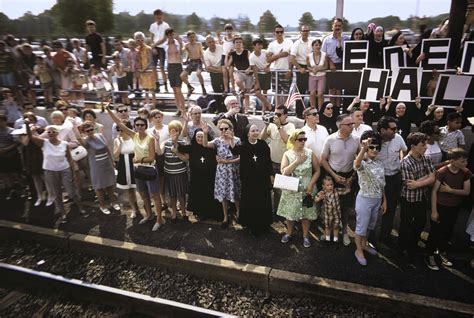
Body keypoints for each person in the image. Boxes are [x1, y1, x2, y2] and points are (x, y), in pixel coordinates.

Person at [106, 105, 163, 231]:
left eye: (141, 125)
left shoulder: (150, 138)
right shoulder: (134, 135)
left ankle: (159, 219)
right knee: (143, 195)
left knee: (155, 196)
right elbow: (118, 123)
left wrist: (138, 160)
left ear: (145, 126)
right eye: (137, 125)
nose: (139, 127)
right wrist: (109, 109)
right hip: (138, 171)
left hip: (149, 169)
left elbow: (152, 157)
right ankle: (149, 215)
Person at [24, 120, 86, 223]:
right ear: (47, 133)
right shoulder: (44, 143)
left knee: (71, 191)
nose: (51, 133)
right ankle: (62, 213)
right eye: (49, 132)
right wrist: (27, 125)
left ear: (58, 133)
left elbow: (69, 158)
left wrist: (74, 172)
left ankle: (80, 207)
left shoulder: (64, 144)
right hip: (50, 171)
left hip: (64, 169)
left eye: (53, 131)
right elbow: (30, 137)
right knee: (57, 193)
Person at [425, 148, 471, 271]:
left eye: (466, 161)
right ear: (453, 160)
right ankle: (429, 255)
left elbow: (466, 191)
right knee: (435, 231)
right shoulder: (442, 172)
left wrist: (450, 190)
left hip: (454, 207)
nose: (465, 163)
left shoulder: (465, 172)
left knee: (447, 231)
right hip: (441, 206)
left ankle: (440, 252)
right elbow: (434, 192)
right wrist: (434, 211)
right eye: (462, 161)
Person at [320, 114, 360, 246]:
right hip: (333, 176)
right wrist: (334, 176)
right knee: (330, 205)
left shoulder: (356, 139)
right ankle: (329, 231)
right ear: (340, 125)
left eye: (352, 124)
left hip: (350, 176)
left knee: (346, 206)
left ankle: (345, 232)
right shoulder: (330, 140)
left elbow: (360, 160)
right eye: (349, 124)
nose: (352, 126)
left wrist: (353, 177)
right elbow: (323, 160)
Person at [278, 129, 320, 248]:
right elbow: (284, 172)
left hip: (307, 189)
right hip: (292, 189)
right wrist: (297, 162)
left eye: (304, 139)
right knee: (290, 214)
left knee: (306, 214)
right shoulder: (287, 154)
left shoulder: (310, 153)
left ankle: (306, 236)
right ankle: (289, 233)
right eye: (300, 139)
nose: (303, 141)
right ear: (293, 140)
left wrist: (311, 184)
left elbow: (317, 170)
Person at [230, 124, 273, 235]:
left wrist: (271, 175)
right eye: (252, 130)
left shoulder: (263, 144)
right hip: (249, 181)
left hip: (262, 180)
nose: (255, 132)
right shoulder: (244, 146)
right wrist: (231, 139)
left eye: (257, 130)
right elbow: (234, 150)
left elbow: (268, 161)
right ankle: (251, 225)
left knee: (263, 201)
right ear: (248, 133)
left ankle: (264, 224)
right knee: (251, 202)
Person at [399, 132, 435, 261]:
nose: (425, 147)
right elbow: (410, 185)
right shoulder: (405, 163)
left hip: (422, 197)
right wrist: (427, 177)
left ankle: (412, 246)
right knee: (405, 224)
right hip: (408, 198)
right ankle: (402, 248)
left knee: (420, 222)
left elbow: (432, 178)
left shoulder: (427, 158)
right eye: (422, 144)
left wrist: (419, 182)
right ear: (413, 146)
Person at [353, 131, 386, 266]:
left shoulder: (379, 163)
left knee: (370, 226)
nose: (374, 150)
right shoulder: (362, 161)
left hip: (377, 199)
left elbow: (382, 183)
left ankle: (365, 244)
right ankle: (358, 250)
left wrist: (385, 200)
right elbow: (356, 165)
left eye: (377, 147)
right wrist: (363, 149)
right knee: (361, 227)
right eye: (371, 147)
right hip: (365, 199)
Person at [73, 121, 119, 215]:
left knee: (110, 184)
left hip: (106, 162)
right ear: (84, 132)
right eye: (87, 131)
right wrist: (75, 127)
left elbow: (107, 149)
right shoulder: (85, 141)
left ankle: (113, 202)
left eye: (91, 129)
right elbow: (79, 138)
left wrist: (112, 161)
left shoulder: (100, 135)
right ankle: (102, 206)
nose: (90, 132)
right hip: (96, 165)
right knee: (99, 187)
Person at [202, 119, 241, 229]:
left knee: (236, 193)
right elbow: (205, 144)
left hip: (234, 170)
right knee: (223, 195)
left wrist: (228, 161)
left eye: (226, 128)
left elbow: (240, 158)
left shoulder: (237, 140)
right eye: (221, 129)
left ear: (231, 129)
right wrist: (205, 133)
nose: (224, 131)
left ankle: (239, 213)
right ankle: (225, 217)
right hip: (222, 172)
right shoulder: (217, 141)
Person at [178, 128, 222, 221]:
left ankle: (211, 212)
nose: (200, 139)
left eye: (202, 136)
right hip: (196, 177)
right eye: (198, 136)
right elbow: (179, 147)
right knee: (198, 194)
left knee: (209, 194)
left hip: (210, 177)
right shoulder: (192, 147)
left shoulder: (211, 147)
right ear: (195, 137)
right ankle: (200, 212)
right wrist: (174, 140)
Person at [376, 116, 407, 247]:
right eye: (393, 129)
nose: (396, 131)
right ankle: (369, 237)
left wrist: (401, 162)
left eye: (396, 128)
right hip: (377, 180)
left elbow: (404, 151)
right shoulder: (374, 140)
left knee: (391, 208)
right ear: (382, 130)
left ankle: (385, 236)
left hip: (394, 178)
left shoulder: (398, 138)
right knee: (374, 208)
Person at [260, 105, 295, 214]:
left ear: (285, 115)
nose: (276, 116)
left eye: (279, 114)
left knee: (285, 190)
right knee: (275, 190)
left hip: (284, 164)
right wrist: (266, 126)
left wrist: (279, 127)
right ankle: (276, 212)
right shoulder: (272, 125)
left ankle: (285, 213)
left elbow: (287, 141)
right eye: (275, 114)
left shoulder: (290, 126)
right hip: (272, 162)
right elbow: (262, 138)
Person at [161, 120, 189, 220]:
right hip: (169, 173)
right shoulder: (165, 143)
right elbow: (159, 152)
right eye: (171, 130)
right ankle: (174, 213)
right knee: (172, 195)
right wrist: (156, 140)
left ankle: (184, 212)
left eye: (176, 130)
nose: (173, 132)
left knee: (181, 194)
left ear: (180, 131)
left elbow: (186, 158)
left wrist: (176, 152)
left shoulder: (183, 143)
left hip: (180, 173)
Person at [113, 120, 139, 218]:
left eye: (122, 129)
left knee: (140, 189)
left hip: (135, 164)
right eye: (118, 130)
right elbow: (115, 156)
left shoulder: (134, 137)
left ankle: (146, 208)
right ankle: (134, 209)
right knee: (129, 189)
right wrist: (119, 144)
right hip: (123, 165)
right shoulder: (117, 140)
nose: (120, 132)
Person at [18, 114, 46, 206]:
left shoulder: (40, 129)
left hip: (40, 154)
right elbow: (25, 143)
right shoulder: (22, 131)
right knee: (35, 176)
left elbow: (42, 141)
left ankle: (50, 194)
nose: (30, 122)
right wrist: (28, 131)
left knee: (43, 176)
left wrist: (34, 132)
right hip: (29, 155)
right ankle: (40, 195)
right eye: (27, 120)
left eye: (31, 120)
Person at [321, 17, 350, 107]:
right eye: (336, 25)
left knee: (339, 89)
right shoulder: (327, 39)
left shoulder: (346, 38)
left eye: (339, 26)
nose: (337, 27)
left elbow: (348, 53)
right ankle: (332, 107)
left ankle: (338, 108)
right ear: (332, 26)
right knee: (332, 90)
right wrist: (330, 63)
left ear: (342, 27)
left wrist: (339, 40)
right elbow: (323, 54)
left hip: (341, 65)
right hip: (330, 65)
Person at [315, 176, 349, 243]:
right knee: (327, 227)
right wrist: (319, 198)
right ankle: (327, 240)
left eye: (331, 184)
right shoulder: (322, 193)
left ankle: (335, 240)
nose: (330, 186)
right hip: (327, 215)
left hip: (336, 214)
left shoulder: (336, 191)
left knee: (336, 227)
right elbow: (316, 200)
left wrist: (346, 184)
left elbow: (347, 190)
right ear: (323, 186)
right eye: (328, 185)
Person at [267, 24, 293, 106]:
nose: (279, 34)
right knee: (277, 94)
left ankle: (285, 112)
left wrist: (290, 70)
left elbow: (291, 57)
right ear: (274, 33)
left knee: (286, 93)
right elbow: (268, 59)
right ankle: (277, 111)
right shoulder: (272, 45)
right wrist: (279, 55)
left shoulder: (289, 42)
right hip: (276, 71)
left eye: (281, 32)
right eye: (277, 32)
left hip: (286, 70)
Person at [147, 109, 169, 208]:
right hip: (154, 157)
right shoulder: (149, 131)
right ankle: (160, 200)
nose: (157, 119)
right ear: (152, 119)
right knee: (157, 179)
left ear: (162, 117)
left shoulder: (168, 128)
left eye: (159, 117)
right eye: (155, 117)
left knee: (167, 180)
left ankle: (168, 200)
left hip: (167, 156)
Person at [290, 25, 312, 118]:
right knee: (300, 92)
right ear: (300, 32)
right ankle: (299, 113)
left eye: (307, 30)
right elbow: (292, 58)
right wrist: (299, 68)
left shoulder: (311, 42)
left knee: (311, 91)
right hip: (301, 68)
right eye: (303, 31)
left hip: (311, 68)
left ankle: (311, 113)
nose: (305, 32)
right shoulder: (297, 44)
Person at [227, 36, 253, 113]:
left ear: (242, 44)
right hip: (239, 72)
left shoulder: (246, 52)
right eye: (236, 42)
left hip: (248, 73)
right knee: (238, 82)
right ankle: (243, 90)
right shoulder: (233, 54)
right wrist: (227, 54)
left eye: (240, 42)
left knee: (247, 94)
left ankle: (247, 110)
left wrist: (249, 68)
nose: (238, 44)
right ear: (234, 44)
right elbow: (227, 65)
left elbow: (252, 62)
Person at [164, 28, 186, 117]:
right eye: (169, 35)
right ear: (167, 36)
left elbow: (182, 53)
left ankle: (184, 110)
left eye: (172, 34)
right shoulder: (165, 45)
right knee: (174, 90)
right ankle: (178, 109)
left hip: (177, 66)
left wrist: (180, 43)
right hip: (170, 66)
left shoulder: (178, 43)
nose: (171, 36)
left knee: (179, 89)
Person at [149, 9, 170, 93]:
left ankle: (165, 86)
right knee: (153, 67)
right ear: (155, 16)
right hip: (154, 48)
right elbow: (151, 37)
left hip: (162, 47)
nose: (159, 16)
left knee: (161, 67)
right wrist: (153, 47)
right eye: (157, 15)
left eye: (160, 15)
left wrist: (154, 45)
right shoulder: (152, 25)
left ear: (162, 15)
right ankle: (157, 85)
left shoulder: (166, 25)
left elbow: (165, 38)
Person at [181, 30, 206, 97]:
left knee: (198, 73)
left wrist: (205, 64)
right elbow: (184, 51)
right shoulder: (186, 45)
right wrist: (186, 60)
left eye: (193, 37)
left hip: (198, 61)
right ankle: (190, 87)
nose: (192, 38)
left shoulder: (199, 44)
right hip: (191, 62)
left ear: (195, 37)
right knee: (182, 76)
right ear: (188, 38)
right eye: (190, 37)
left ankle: (203, 88)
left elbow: (202, 54)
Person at [249, 38, 272, 112]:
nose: (260, 47)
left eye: (261, 45)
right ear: (254, 46)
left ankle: (264, 109)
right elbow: (254, 69)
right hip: (259, 74)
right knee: (257, 92)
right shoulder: (252, 57)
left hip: (267, 73)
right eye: (258, 45)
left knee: (265, 92)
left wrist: (267, 66)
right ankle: (269, 105)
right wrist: (257, 82)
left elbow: (270, 59)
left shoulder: (265, 52)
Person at [134, 31, 156, 107]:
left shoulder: (148, 48)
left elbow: (150, 61)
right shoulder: (137, 49)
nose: (140, 41)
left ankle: (154, 106)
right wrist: (139, 70)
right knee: (145, 90)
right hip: (142, 72)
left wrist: (144, 69)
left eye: (141, 39)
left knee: (152, 90)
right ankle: (147, 106)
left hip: (149, 71)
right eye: (138, 40)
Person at [203, 35, 225, 112]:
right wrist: (219, 70)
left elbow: (226, 57)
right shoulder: (206, 53)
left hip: (224, 72)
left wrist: (223, 68)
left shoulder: (221, 47)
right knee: (217, 93)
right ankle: (219, 110)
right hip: (214, 74)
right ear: (207, 44)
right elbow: (208, 67)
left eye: (213, 41)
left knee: (225, 91)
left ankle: (225, 108)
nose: (212, 43)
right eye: (210, 42)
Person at [307, 39, 327, 110]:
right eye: (316, 45)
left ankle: (320, 111)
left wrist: (318, 69)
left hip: (322, 76)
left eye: (319, 45)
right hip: (312, 76)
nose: (318, 46)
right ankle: (313, 110)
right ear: (312, 46)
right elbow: (308, 66)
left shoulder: (324, 55)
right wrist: (312, 69)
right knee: (312, 93)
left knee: (320, 94)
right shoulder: (309, 56)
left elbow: (326, 67)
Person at [219, 23, 235, 93]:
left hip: (231, 56)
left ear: (232, 31)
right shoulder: (224, 38)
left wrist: (232, 51)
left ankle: (233, 88)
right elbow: (221, 43)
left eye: (230, 31)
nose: (229, 32)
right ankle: (226, 89)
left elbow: (236, 46)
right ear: (225, 31)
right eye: (227, 31)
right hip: (224, 56)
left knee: (231, 74)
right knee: (224, 73)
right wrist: (218, 36)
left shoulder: (234, 38)